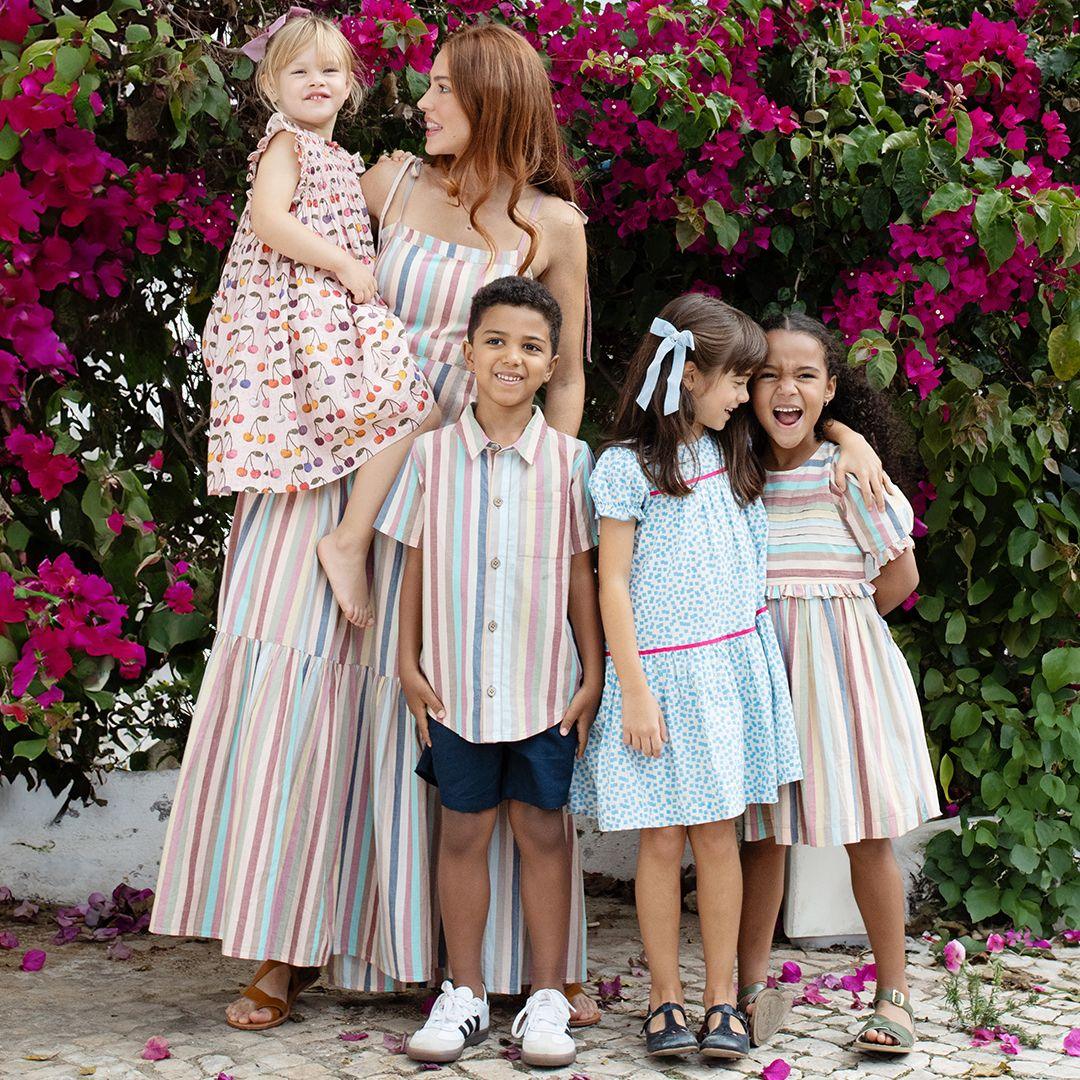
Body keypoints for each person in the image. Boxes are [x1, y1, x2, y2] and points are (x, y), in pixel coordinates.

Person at [150, 12, 441, 1030]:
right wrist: (351, 269)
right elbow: (271, 227)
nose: (319, 81)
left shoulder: (352, 158)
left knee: (404, 407)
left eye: (334, 69)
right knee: (399, 405)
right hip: (295, 346)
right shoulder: (286, 148)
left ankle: (348, 533)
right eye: (299, 69)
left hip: (325, 353)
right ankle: (271, 942)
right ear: (271, 83)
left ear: (355, 82)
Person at [332, 23, 601, 1024]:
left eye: (444, 88)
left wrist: (550, 490)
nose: (422, 101)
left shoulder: (552, 227)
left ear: (494, 102)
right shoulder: (389, 180)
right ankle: (399, 956)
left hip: (497, 504)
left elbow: (566, 374)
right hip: (382, 474)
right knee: (392, 706)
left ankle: (531, 982)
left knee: (513, 745)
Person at [569, 295, 803, 1061]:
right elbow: (612, 583)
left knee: (719, 837)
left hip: (727, 674)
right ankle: (665, 998)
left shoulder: (734, 455)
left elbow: (820, 426)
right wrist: (630, 686)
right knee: (662, 841)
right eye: (736, 381)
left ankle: (721, 999)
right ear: (688, 374)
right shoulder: (627, 468)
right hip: (659, 680)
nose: (745, 396)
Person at [377, 277, 603, 1067]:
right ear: (467, 351)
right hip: (455, 685)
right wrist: (405, 661)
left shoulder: (570, 464)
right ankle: (464, 993)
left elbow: (582, 578)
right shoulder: (431, 457)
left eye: (532, 347)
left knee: (543, 833)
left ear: (551, 365)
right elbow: (410, 563)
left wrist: (594, 672)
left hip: (545, 685)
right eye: (498, 341)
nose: (512, 357)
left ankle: (547, 998)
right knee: (462, 833)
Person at [738, 312, 940, 1056]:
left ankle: (894, 993)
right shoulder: (740, 475)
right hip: (763, 677)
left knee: (866, 835)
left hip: (844, 670)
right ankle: (747, 989)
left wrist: (835, 627)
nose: (785, 389)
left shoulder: (848, 471)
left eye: (803, 375)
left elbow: (900, 576)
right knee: (760, 838)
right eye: (768, 375)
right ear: (748, 387)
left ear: (830, 388)